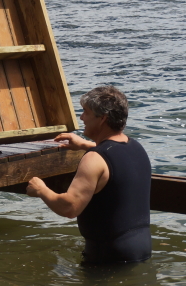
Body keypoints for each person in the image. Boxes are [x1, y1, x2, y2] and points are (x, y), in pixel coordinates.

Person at [26, 85, 151, 265]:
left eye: (86, 112)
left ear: (102, 118)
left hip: (108, 257)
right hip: (141, 249)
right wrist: (85, 144)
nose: (81, 117)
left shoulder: (94, 159)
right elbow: (113, 158)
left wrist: (41, 190)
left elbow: (69, 207)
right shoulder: (135, 147)